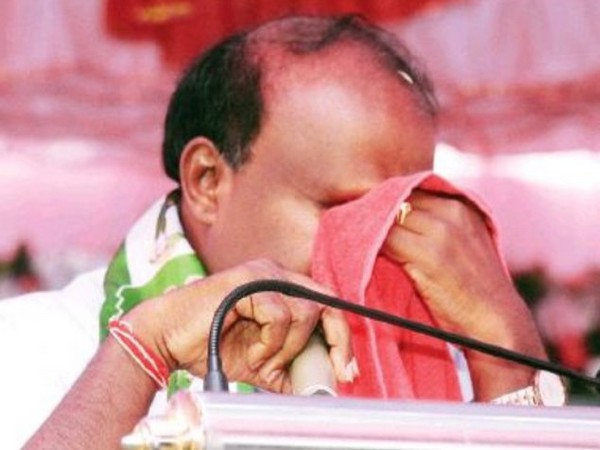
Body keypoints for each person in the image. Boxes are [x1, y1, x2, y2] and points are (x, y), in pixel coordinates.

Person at [0, 14, 552, 449]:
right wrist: (145, 351)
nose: (378, 248)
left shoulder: (434, 369)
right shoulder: (33, 345)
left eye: (405, 212)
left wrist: (507, 355)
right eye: (350, 212)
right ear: (207, 181)